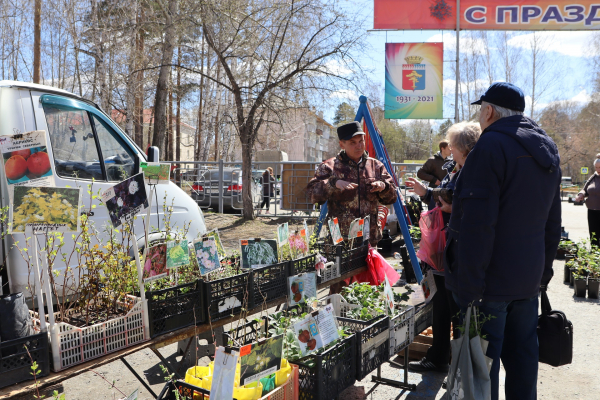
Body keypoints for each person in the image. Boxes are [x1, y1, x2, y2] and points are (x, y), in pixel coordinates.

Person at [445, 82, 561, 400]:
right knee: (523, 365)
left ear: (488, 111)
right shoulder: (547, 148)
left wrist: (468, 287)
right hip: (526, 283)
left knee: (477, 374)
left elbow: (477, 225)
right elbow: (553, 226)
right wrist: (541, 277)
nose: (479, 117)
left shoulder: (490, 146)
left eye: (480, 111)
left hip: (487, 288)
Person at [405, 121, 481, 373]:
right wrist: (427, 193)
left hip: (458, 249)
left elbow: (460, 201)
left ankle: (458, 367)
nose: (449, 150)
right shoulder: (455, 167)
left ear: (463, 148)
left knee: (457, 309)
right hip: (442, 248)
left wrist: (449, 203)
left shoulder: (476, 170)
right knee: (440, 303)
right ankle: (438, 356)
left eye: (453, 146)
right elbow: (445, 195)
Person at [306, 121, 397, 246]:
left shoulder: (376, 166)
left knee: (368, 265)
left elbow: (393, 197)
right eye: (352, 143)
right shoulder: (329, 167)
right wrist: (333, 184)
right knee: (339, 265)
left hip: (369, 238)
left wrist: (384, 187)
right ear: (342, 144)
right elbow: (311, 195)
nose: (359, 146)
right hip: (339, 239)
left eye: (361, 141)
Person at [417, 140, 452, 209]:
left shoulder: (451, 161)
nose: (450, 150)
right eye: (448, 148)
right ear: (442, 148)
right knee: (434, 215)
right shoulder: (432, 160)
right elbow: (420, 173)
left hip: (447, 193)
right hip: (435, 193)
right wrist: (434, 180)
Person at [575, 154, 600, 247]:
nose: (598, 170)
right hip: (592, 210)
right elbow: (584, 189)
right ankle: (594, 254)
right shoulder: (593, 177)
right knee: (593, 233)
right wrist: (580, 195)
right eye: (596, 167)